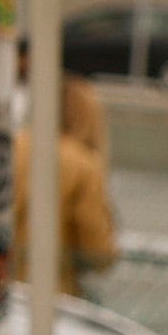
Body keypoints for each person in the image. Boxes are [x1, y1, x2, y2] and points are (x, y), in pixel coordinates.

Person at [48, 72, 124, 296]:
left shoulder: (13, 147)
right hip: (55, 292)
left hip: (2, 287)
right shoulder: (84, 165)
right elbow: (98, 251)